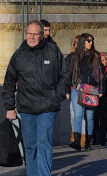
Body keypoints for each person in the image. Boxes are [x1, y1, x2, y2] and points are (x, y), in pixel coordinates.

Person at [2, 20, 68, 176]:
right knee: (30, 146)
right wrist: (10, 108)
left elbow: (65, 75)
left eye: (35, 34)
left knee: (44, 143)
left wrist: (56, 96)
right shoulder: (19, 55)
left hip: (48, 107)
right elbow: (9, 82)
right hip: (26, 108)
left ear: (41, 35)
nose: (31, 37)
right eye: (29, 34)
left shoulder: (53, 51)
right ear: (26, 34)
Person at [68, 33, 103, 151]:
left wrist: (101, 90)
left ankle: (88, 142)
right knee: (78, 115)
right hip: (77, 89)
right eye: (88, 41)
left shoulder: (95, 56)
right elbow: (68, 74)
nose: (91, 43)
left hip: (91, 90)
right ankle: (77, 141)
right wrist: (66, 89)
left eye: (92, 41)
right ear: (83, 42)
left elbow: (100, 75)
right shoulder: (74, 56)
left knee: (89, 117)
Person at [93, 54, 107, 146]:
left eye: (105, 59)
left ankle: (102, 139)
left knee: (104, 121)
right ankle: (95, 139)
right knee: (95, 119)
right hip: (96, 98)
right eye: (102, 60)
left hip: (105, 100)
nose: (104, 61)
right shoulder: (96, 71)